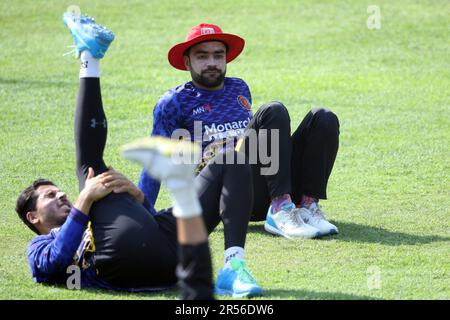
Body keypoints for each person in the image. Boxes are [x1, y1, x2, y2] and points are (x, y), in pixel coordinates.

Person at [15, 13, 262, 299]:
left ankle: (234, 265)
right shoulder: (39, 246)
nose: (61, 195)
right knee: (91, 168)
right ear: (33, 217)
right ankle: (89, 57)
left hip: (171, 253)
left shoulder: (101, 215)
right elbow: (54, 264)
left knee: (231, 156)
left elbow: (150, 224)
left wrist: (138, 197)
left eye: (59, 192)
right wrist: (85, 200)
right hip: (123, 265)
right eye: (49, 196)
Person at [138, 23, 341, 240]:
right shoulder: (173, 102)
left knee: (323, 117)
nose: (212, 63)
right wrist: (143, 215)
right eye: (202, 56)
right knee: (273, 111)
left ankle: (307, 207)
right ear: (187, 61)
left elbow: (261, 146)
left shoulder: (238, 88)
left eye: (218, 55)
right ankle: (280, 209)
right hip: (220, 195)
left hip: (258, 183)